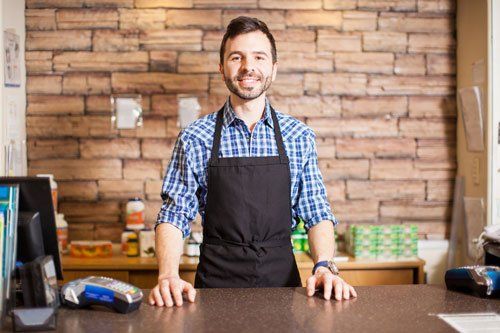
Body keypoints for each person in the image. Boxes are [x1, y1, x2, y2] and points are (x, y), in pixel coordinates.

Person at [149, 16, 357, 307]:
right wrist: (168, 275)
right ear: (222, 67)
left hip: (283, 289)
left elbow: (316, 211)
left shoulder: (299, 136)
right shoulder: (195, 137)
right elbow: (174, 214)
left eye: (259, 57)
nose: (249, 67)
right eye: (237, 57)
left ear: (273, 68)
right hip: (214, 292)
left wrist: (324, 265)